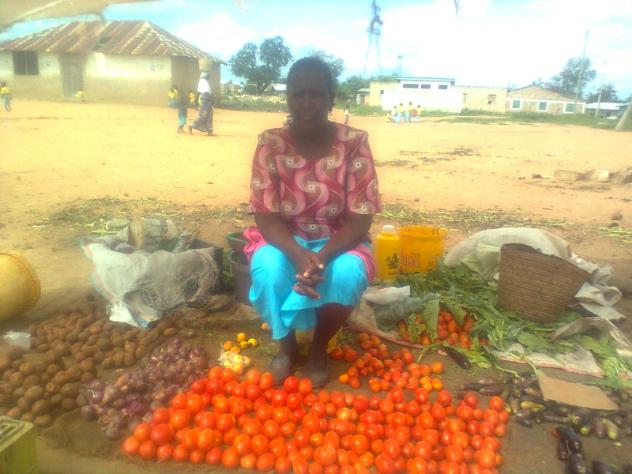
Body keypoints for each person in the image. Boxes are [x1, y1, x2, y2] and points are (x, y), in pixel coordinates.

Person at [245, 57, 381, 387]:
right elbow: (265, 215)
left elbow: (360, 218)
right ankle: (286, 345)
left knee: (347, 273)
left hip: (338, 239)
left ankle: (320, 345)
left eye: (316, 94)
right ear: (288, 98)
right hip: (285, 238)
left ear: (331, 98)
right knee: (267, 267)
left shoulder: (354, 143)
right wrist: (297, 254)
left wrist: (322, 256)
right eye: (298, 93)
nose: (307, 102)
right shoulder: (270, 144)